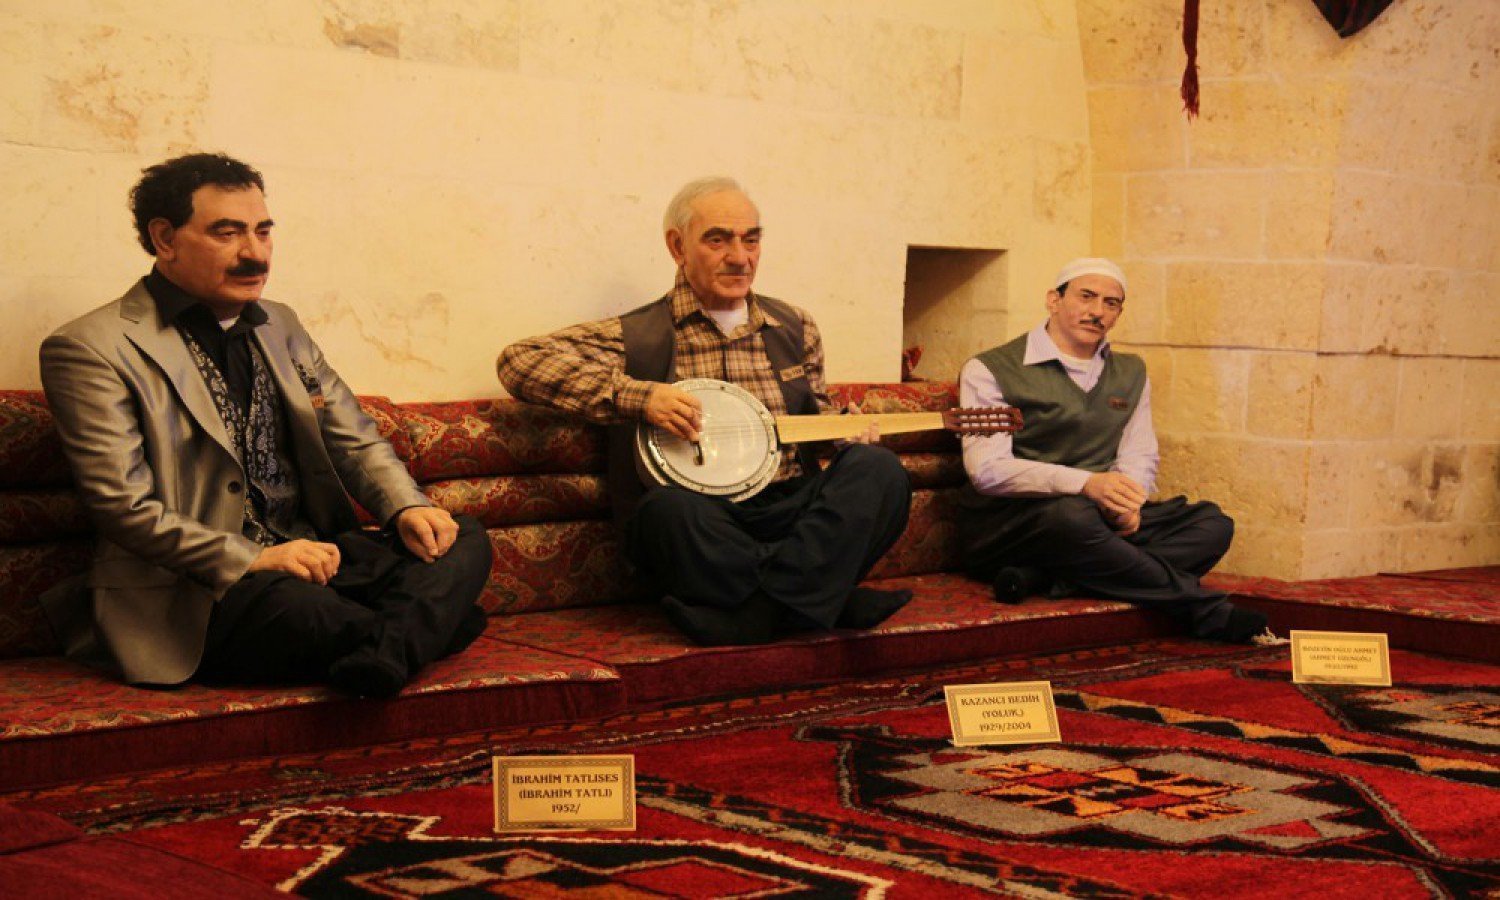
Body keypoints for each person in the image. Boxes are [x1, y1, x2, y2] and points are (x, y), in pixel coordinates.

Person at [39, 152, 492, 697]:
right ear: (165, 238)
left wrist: (407, 507)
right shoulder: (91, 347)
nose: (255, 253)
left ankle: (384, 647)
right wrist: (255, 558)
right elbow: (123, 507)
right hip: (201, 589)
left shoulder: (281, 322)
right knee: (308, 610)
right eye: (227, 233)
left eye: (263, 231)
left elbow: (353, 438)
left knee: (463, 537)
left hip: (315, 556)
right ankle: (422, 629)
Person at [498, 176, 912, 646]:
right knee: (666, 512)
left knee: (879, 471)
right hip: (704, 522)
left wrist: (840, 433)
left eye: (751, 240)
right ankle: (824, 598)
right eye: (718, 240)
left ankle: (758, 613)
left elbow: (814, 418)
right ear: (677, 246)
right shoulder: (635, 336)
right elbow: (518, 361)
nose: (740, 257)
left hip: (790, 510)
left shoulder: (795, 327)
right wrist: (642, 398)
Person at [956, 257, 1268, 642]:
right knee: (1071, 517)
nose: (1097, 311)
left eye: (1111, 303)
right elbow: (987, 470)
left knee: (1212, 524)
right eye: (1086, 296)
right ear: (1054, 300)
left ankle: (1048, 578)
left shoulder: (1131, 371)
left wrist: (1126, 505)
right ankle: (1202, 609)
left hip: (1096, 518)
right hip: (1012, 523)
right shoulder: (989, 369)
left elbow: (1139, 453)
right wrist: (1087, 484)